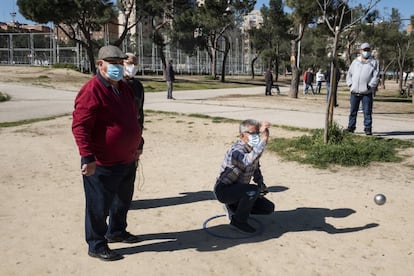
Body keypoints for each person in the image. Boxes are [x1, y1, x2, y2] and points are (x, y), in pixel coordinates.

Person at [72, 45, 142, 261]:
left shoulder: (124, 88)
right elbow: (80, 126)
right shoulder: (91, 90)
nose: (118, 68)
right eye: (113, 64)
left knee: (122, 201)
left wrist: (139, 143)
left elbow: (134, 118)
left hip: (127, 158)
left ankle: (117, 231)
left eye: (120, 64)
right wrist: (87, 157)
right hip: (102, 163)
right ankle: (96, 243)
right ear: (100, 64)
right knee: (98, 206)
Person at [214, 119, 275, 234]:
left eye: (257, 133)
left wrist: (261, 184)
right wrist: (264, 139)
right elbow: (247, 161)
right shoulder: (236, 150)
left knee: (268, 208)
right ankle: (238, 222)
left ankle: (232, 207)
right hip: (224, 190)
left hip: (240, 190)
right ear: (242, 135)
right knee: (252, 191)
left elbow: (255, 168)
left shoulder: (252, 149)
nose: (256, 136)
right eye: (252, 134)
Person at [346, 42, 380, 135]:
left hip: (366, 92)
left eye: (368, 50)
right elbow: (349, 74)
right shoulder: (355, 62)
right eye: (365, 50)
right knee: (353, 111)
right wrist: (350, 84)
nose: (366, 52)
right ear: (360, 51)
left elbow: (376, 76)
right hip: (354, 91)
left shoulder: (373, 63)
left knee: (367, 111)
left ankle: (368, 128)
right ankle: (351, 127)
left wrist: (370, 85)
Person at [124, 52, 145, 162]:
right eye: (130, 63)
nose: (132, 67)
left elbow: (140, 115)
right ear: (121, 63)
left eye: (135, 65)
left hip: (133, 140)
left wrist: (139, 142)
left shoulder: (137, 86)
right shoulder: (115, 85)